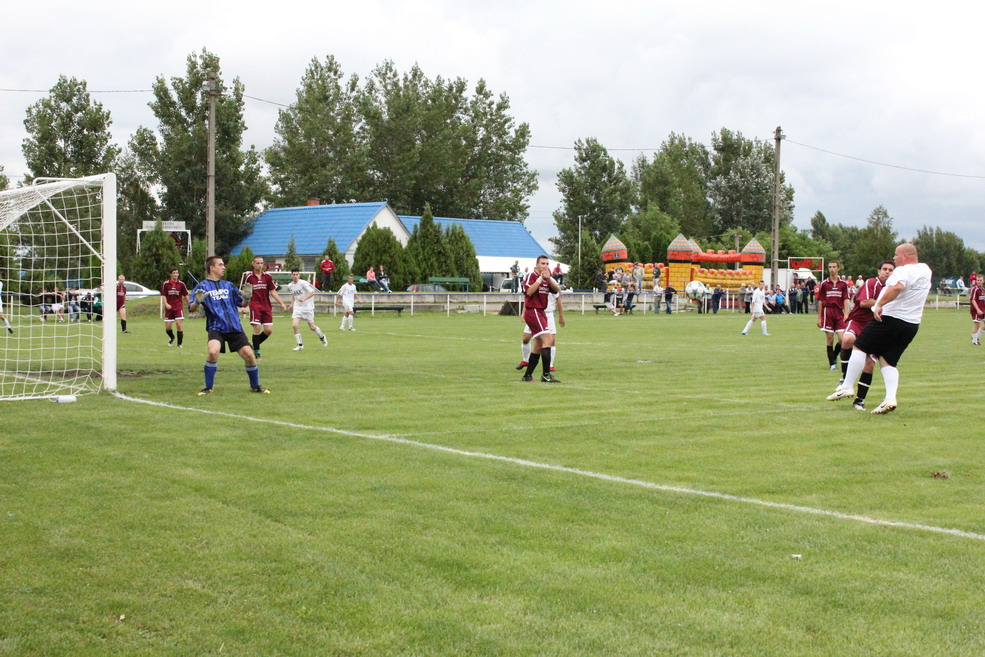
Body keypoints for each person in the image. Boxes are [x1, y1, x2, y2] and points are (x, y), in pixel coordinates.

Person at [828, 243, 932, 415]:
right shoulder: (925, 270)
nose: (894, 258)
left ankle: (846, 386)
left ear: (904, 256)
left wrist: (879, 305)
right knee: (888, 360)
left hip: (891, 319)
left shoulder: (902, 271)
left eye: (896, 255)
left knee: (859, 346)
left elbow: (897, 287)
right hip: (912, 324)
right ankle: (890, 399)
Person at [189, 255, 268, 395]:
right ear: (212, 268)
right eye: (220, 265)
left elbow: (242, 304)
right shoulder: (201, 287)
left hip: (234, 327)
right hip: (216, 327)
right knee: (213, 352)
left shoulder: (229, 285)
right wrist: (197, 301)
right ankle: (208, 388)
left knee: (249, 355)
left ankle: (255, 386)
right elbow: (191, 308)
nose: (223, 267)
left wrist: (247, 298)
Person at [837, 260, 895, 410]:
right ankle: (845, 380)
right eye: (885, 269)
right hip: (858, 321)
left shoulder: (894, 287)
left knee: (869, 364)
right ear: (879, 271)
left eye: (890, 270)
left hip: (875, 327)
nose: (887, 272)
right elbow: (863, 303)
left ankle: (859, 400)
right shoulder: (872, 282)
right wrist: (884, 302)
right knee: (847, 339)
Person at [520, 255, 561, 383]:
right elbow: (528, 292)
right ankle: (546, 374)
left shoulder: (547, 277)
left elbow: (556, 290)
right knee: (548, 339)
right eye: (543, 263)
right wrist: (540, 279)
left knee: (538, 344)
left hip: (541, 312)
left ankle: (527, 375)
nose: (545, 266)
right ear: (537, 264)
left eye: (547, 264)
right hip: (533, 311)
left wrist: (549, 279)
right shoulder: (531, 276)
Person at [516, 277, 565, 372]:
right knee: (526, 338)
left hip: (548, 314)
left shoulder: (552, 282)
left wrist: (561, 316)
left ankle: (550, 365)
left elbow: (558, 299)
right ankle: (525, 360)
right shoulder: (534, 280)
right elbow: (528, 297)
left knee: (551, 340)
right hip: (534, 313)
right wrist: (523, 312)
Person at [244, 256, 287, 360]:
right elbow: (246, 292)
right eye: (257, 263)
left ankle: (254, 344)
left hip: (266, 305)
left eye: (261, 263)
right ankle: (257, 354)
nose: (260, 265)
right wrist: (243, 306)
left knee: (268, 330)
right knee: (257, 327)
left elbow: (273, 291)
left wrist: (281, 303)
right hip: (255, 305)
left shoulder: (267, 276)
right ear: (253, 264)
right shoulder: (249, 277)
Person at [816, 261, 851, 370]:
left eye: (834, 267)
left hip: (839, 312)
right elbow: (820, 301)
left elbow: (846, 299)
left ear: (838, 268)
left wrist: (847, 313)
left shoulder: (843, 284)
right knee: (830, 339)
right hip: (828, 312)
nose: (832, 269)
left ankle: (834, 355)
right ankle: (832, 364)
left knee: (842, 339)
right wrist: (819, 318)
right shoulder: (824, 283)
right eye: (830, 267)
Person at [286, 269, 327, 350]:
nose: (295, 276)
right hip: (298, 308)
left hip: (307, 307)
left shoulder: (303, 283)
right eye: (294, 274)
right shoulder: (290, 285)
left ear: (299, 275)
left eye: (297, 274)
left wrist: (304, 298)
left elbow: (312, 292)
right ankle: (300, 345)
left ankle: (322, 336)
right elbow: (293, 295)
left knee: (312, 327)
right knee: (294, 325)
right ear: (291, 275)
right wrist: (292, 304)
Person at [160, 267, 190, 348]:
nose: (175, 274)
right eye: (174, 273)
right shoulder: (166, 284)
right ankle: (172, 337)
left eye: (177, 273)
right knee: (168, 328)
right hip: (169, 308)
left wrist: (190, 304)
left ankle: (179, 344)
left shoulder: (181, 284)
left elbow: (185, 295)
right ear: (170, 274)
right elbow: (164, 295)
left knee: (178, 324)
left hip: (178, 307)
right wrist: (166, 304)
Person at [970, 274, 985, 345]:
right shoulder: (975, 289)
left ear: (983, 281)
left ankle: (976, 337)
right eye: (978, 280)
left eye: (980, 280)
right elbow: (973, 300)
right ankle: (974, 341)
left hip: (983, 310)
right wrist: (978, 309)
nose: (979, 281)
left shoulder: (983, 289)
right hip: (976, 310)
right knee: (977, 325)